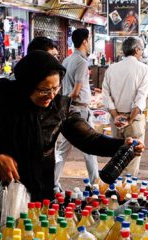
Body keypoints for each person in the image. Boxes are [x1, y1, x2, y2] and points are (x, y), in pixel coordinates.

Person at [0, 50, 145, 233]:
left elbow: (89, 138)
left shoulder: (58, 107)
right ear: (27, 85)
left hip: (39, 192)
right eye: (44, 90)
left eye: (55, 88)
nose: (50, 95)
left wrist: (120, 145)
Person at [102, 36, 148, 176]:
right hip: (134, 120)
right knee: (132, 159)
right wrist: (129, 119)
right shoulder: (145, 69)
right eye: (142, 50)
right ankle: (127, 192)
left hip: (116, 121)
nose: (142, 53)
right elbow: (140, 99)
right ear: (137, 50)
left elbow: (106, 96)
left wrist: (116, 116)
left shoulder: (111, 68)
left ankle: (115, 190)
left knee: (117, 158)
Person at [54, 28, 98, 191]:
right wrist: (67, 104)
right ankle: (95, 183)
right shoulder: (81, 62)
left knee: (64, 148)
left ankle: (53, 181)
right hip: (79, 111)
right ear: (85, 41)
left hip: (71, 110)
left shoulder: (67, 60)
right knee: (90, 146)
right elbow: (76, 90)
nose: (90, 42)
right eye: (89, 39)